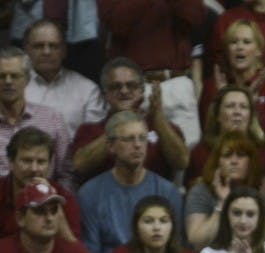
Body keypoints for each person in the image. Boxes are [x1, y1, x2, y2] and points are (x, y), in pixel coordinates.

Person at [0, 47, 71, 203]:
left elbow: (65, 175)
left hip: (43, 210)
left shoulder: (52, 119)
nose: (8, 81)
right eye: (2, 76)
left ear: (27, 79)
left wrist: (57, 207)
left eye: (15, 76)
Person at [0, 21, 106, 141]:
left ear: (64, 50)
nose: (46, 52)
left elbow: (92, 140)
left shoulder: (87, 89)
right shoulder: (8, 85)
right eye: (39, 46)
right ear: (26, 49)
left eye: (53, 46)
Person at [97, 0, 204, 149]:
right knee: (137, 154)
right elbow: (116, 23)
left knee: (187, 158)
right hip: (135, 88)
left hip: (177, 81)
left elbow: (194, 17)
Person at [77, 111, 184, 253]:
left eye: (142, 138)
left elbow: (177, 248)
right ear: (111, 146)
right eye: (129, 139)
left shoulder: (167, 192)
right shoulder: (90, 193)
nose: (138, 145)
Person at [71, 57, 188, 185]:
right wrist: (121, 122)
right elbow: (79, 166)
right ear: (105, 94)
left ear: (142, 91)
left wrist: (158, 119)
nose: (124, 91)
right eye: (116, 86)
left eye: (131, 85)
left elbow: (182, 162)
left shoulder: (162, 126)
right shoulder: (89, 130)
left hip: (155, 200)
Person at [0, 126, 82, 245]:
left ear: (50, 165)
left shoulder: (63, 198)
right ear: (11, 162)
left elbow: (75, 252)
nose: (34, 169)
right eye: (27, 161)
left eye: (41, 162)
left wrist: (57, 211)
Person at [184, 130, 265, 251]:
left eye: (241, 155)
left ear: (251, 161)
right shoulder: (201, 190)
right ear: (217, 162)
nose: (234, 161)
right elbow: (196, 240)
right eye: (227, 155)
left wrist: (260, 205)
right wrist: (222, 203)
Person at [203, 20, 265, 150]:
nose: (239, 47)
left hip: (260, 154)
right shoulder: (213, 85)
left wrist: (253, 106)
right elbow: (207, 133)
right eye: (233, 42)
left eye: (246, 42)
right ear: (227, 50)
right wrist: (221, 100)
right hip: (219, 152)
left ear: (258, 50)